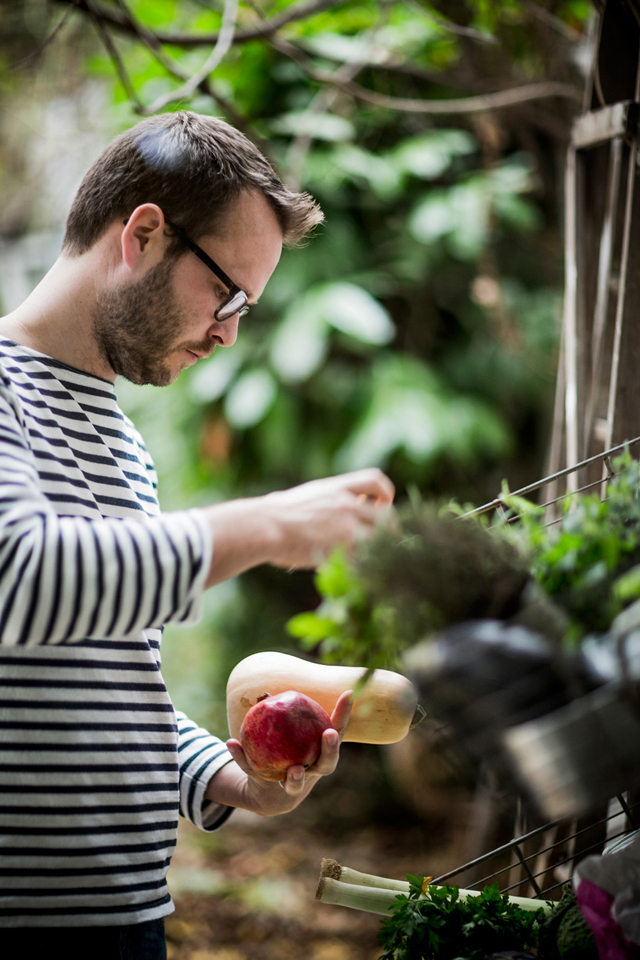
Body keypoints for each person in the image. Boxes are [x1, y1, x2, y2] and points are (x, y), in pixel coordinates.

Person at [0, 111, 394, 955]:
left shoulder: (124, 445)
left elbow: (103, 684)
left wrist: (234, 782)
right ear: (143, 233)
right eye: (229, 293)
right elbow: (21, 579)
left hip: (128, 917)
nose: (230, 331)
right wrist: (270, 523)